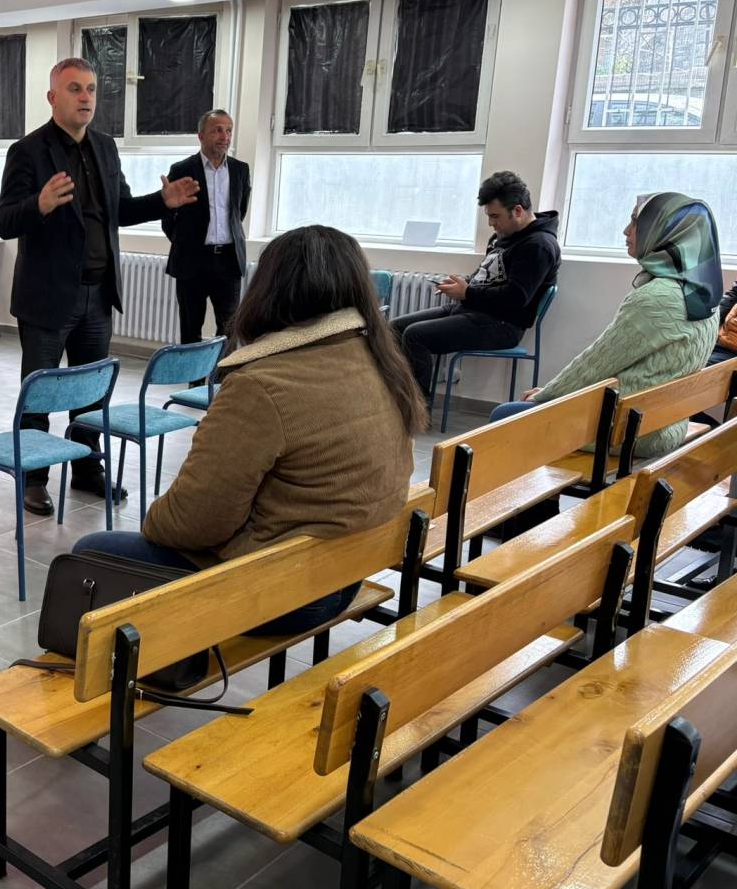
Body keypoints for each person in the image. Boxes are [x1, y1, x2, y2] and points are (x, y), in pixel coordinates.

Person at [72, 225, 425, 632]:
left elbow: (192, 522)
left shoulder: (261, 384)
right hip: (345, 572)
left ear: (270, 288)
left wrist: (155, 519)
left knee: (90, 553)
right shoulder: (379, 358)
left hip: (283, 594)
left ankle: (133, 666)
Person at [0, 56, 200, 515]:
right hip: (48, 297)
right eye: (74, 89)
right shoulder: (27, 151)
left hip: (98, 293)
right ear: (52, 97)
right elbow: (4, 221)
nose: (85, 97)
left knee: (90, 392)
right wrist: (39, 204)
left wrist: (162, 202)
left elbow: (119, 209)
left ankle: (88, 470)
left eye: (90, 89)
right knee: (40, 394)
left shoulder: (105, 147)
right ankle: (34, 478)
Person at [488, 193, 721, 458]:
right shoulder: (706, 293)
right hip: (666, 423)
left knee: (505, 417)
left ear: (665, 230)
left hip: (629, 429)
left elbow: (596, 365)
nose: (626, 230)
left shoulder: (657, 298)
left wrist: (547, 395)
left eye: (636, 221)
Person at [392, 170, 561, 395]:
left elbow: (516, 298)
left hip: (503, 324)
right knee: (394, 329)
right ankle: (394, 397)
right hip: (472, 310)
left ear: (518, 211)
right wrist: (463, 284)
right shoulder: (504, 236)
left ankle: (416, 408)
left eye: (495, 216)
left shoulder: (538, 246)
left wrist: (467, 293)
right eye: (488, 216)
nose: (491, 223)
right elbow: (487, 274)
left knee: (415, 336)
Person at [160, 109, 251, 345]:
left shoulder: (240, 170)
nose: (224, 137)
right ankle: (193, 371)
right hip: (192, 261)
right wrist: (185, 242)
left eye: (228, 131)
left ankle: (224, 370)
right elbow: (168, 217)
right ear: (201, 136)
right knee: (190, 328)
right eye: (217, 130)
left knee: (229, 329)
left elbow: (239, 211)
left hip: (228, 261)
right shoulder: (182, 169)